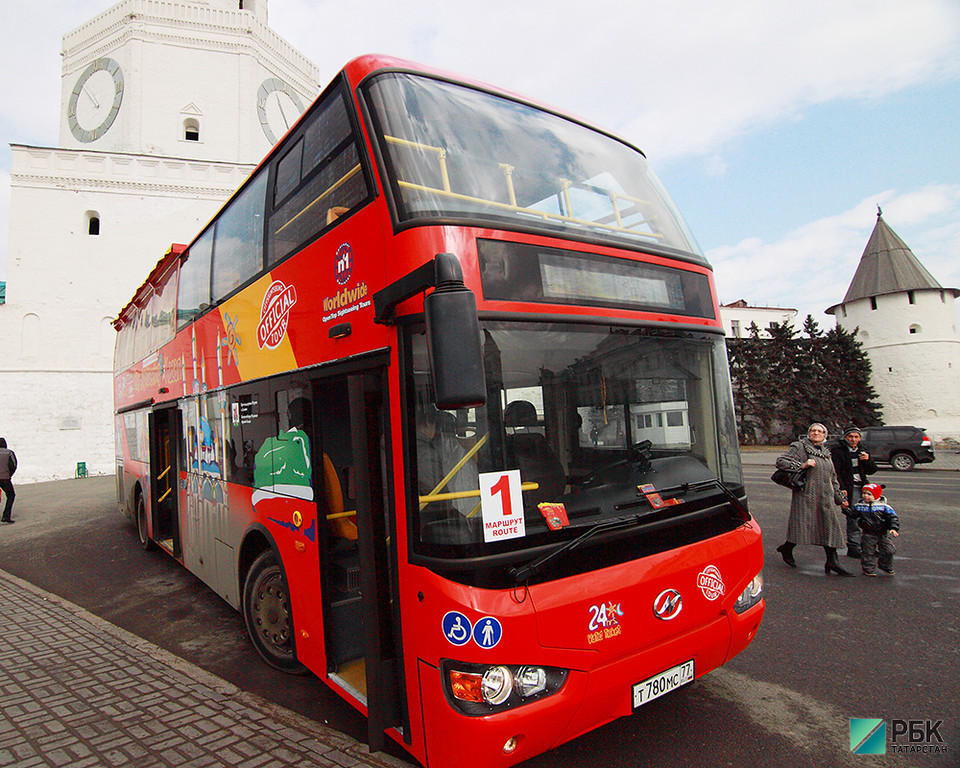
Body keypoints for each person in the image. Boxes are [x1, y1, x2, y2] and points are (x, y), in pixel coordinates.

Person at [775, 423, 853, 576]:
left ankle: (832, 561)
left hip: (826, 498)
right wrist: (802, 465)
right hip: (806, 496)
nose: (816, 433)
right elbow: (781, 461)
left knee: (830, 528)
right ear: (809, 433)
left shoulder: (826, 452)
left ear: (825, 435)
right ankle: (787, 548)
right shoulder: (799, 447)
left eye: (820, 431)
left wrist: (840, 498)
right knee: (802, 527)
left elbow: (833, 478)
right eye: (813, 430)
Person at [830, 425, 878, 558]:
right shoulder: (838, 450)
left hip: (862, 487)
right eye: (850, 436)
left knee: (867, 516)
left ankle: (868, 546)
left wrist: (867, 460)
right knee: (854, 517)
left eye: (856, 437)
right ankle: (854, 546)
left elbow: (872, 470)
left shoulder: (862, 450)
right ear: (845, 437)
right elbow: (836, 472)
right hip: (850, 488)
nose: (853, 439)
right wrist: (842, 489)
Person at [849, 483, 899, 576]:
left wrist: (893, 528)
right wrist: (847, 511)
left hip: (882, 533)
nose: (865, 496)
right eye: (864, 493)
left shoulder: (884, 506)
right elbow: (854, 515)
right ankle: (868, 569)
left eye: (869, 494)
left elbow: (893, 518)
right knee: (868, 552)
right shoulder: (860, 506)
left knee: (889, 550)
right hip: (868, 533)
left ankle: (885, 565)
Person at [0, 437, 17, 524]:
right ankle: (6, 516)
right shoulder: (9, 453)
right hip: (5, 479)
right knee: (10, 495)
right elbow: (13, 465)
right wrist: (9, 475)